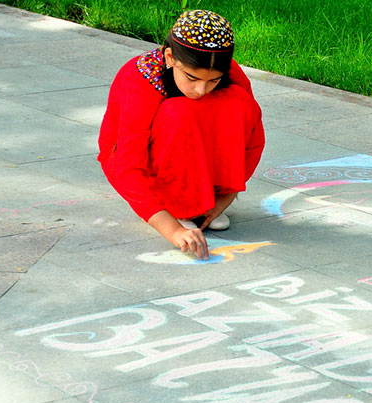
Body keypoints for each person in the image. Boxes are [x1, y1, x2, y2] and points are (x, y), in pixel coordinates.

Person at [98, 10, 265, 260]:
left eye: (214, 81)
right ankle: (180, 207)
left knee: (239, 102)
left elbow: (253, 139)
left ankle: (204, 204)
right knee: (180, 111)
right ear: (169, 56)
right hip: (144, 168)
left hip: (202, 179)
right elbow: (125, 166)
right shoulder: (138, 80)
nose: (201, 89)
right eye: (192, 78)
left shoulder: (229, 71)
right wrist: (172, 229)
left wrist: (225, 197)